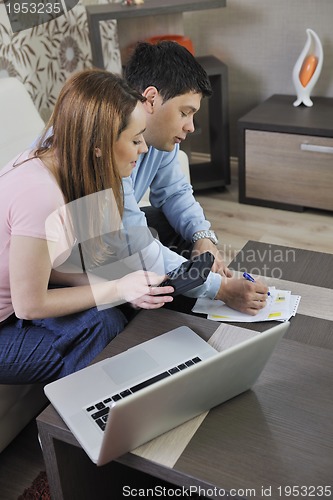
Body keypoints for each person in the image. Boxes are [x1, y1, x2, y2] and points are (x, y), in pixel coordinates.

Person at [0, 69, 174, 384]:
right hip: (8, 323)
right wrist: (116, 288)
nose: (144, 149)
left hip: (18, 301)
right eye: (135, 140)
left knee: (118, 290)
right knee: (103, 325)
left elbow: (43, 265)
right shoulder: (40, 195)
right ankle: (66, 427)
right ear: (98, 144)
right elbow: (29, 304)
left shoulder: (54, 163)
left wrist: (115, 282)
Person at [122, 41, 269, 313]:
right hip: (77, 253)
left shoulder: (159, 139)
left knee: (179, 228)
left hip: (113, 236)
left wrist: (204, 238)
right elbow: (131, 242)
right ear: (151, 98)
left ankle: (190, 293)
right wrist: (220, 289)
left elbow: (174, 192)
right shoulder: (109, 142)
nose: (190, 127)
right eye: (184, 113)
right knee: (150, 243)